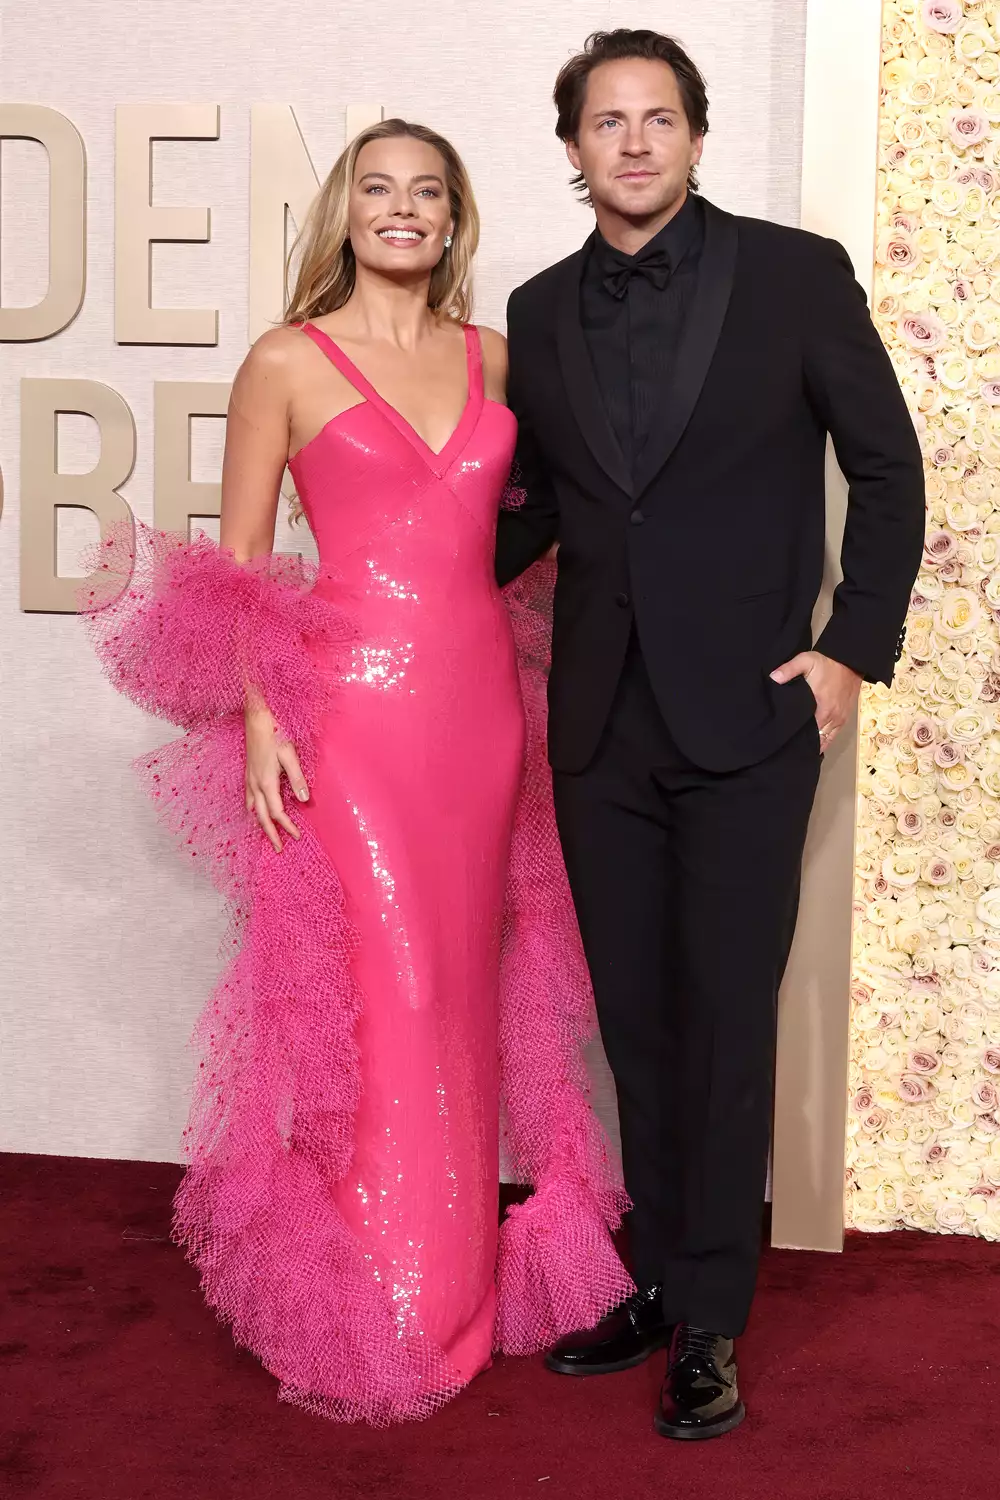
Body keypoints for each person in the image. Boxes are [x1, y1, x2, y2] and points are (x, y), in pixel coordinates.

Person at [85, 118, 630, 1426]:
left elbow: (561, 519)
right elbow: (236, 568)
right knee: (382, 997)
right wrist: (260, 715)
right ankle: (382, 1306)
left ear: (453, 220)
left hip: (480, 715)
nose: (403, 209)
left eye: (427, 192)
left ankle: (459, 1298)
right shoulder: (285, 359)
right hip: (349, 723)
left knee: (466, 987)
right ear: (344, 211)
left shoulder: (498, 357)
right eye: (378, 189)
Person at [496, 30, 925, 1440]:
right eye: (605, 121)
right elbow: (541, 505)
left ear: (694, 134)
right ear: (573, 147)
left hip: (750, 712)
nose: (632, 141)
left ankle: (712, 1320)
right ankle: (659, 1276)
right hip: (599, 720)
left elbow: (888, 466)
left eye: (657, 117)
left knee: (728, 1018)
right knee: (638, 1022)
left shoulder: (796, 275)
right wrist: (392, 574)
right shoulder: (538, 309)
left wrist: (851, 650)